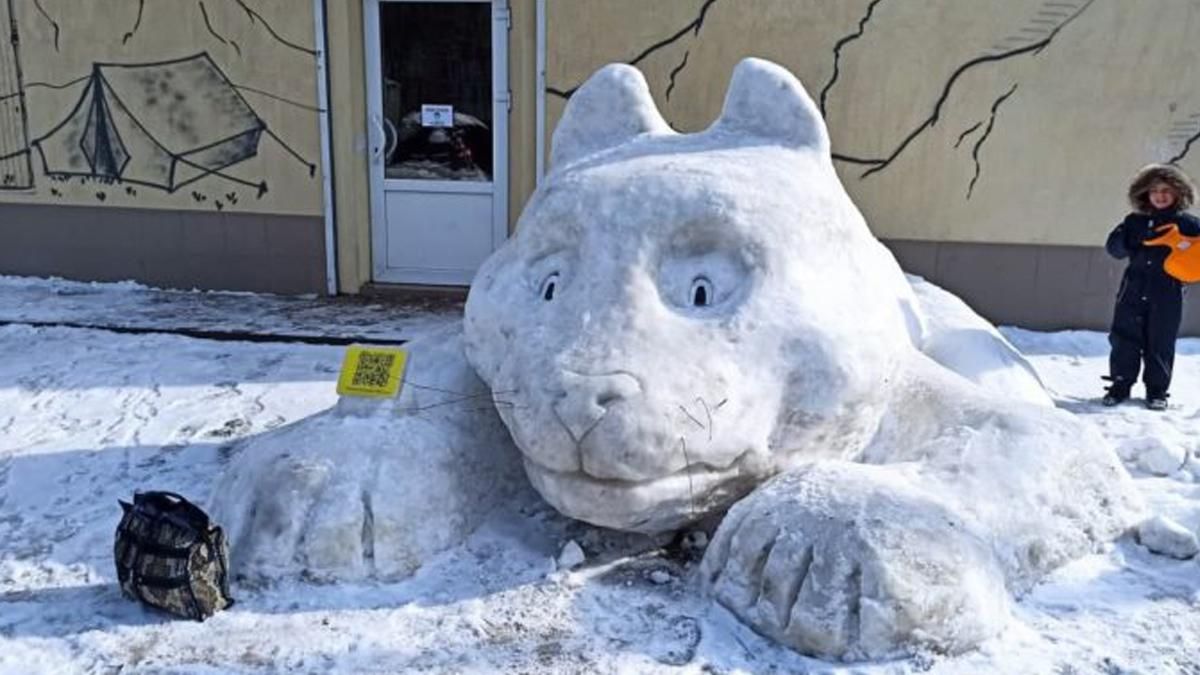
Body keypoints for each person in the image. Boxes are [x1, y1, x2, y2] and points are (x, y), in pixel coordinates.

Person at [1103, 163, 1200, 410]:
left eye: (1167, 190)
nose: (1160, 195)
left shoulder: (1189, 224)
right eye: (1155, 190)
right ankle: (1120, 385)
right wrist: (1126, 239)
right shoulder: (1134, 222)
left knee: (1161, 340)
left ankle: (1157, 391)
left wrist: (1186, 246)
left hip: (1167, 292)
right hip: (1132, 289)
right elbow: (1113, 249)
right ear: (1145, 193)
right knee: (1124, 338)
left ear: (1178, 193)